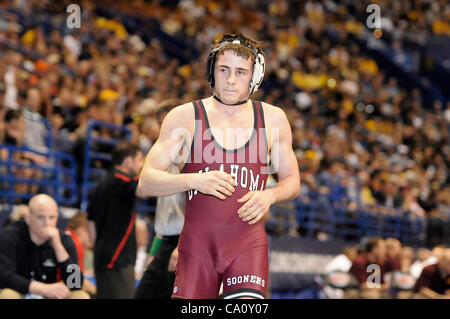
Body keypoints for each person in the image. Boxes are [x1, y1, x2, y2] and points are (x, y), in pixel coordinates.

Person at [137, 33, 300, 299]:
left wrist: (269, 195)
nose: (231, 80)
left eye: (240, 72)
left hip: (247, 244)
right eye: (224, 70)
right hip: (197, 247)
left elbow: (292, 180)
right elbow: (146, 182)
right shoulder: (184, 117)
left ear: (254, 76)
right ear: (212, 71)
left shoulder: (273, 119)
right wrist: (194, 180)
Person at [135, 99, 186, 299]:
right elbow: (164, 215)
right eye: (162, 122)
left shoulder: (192, 156)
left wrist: (180, 247)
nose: (166, 126)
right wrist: (153, 253)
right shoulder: (161, 162)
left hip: (184, 244)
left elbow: (199, 209)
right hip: (165, 244)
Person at [0, 194, 88, 299]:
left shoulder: (64, 240)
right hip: (21, 291)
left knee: (80, 296)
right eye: (40, 217)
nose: (47, 223)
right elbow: (3, 276)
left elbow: (76, 284)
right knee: (8, 295)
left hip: (50, 294)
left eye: (52, 217)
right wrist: (43, 289)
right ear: (28, 218)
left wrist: (58, 247)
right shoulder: (9, 236)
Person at [87, 141, 144, 299]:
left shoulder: (101, 184)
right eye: (139, 160)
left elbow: (90, 221)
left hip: (102, 257)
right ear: (128, 161)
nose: (141, 165)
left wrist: (97, 247)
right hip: (118, 259)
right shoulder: (122, 181)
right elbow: (145, 190)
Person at [65, 211, 97, 297]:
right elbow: (76, 282)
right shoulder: (75, 243)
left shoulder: (67, 236)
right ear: (81, 230)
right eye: (91, 231)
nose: (94, 236)